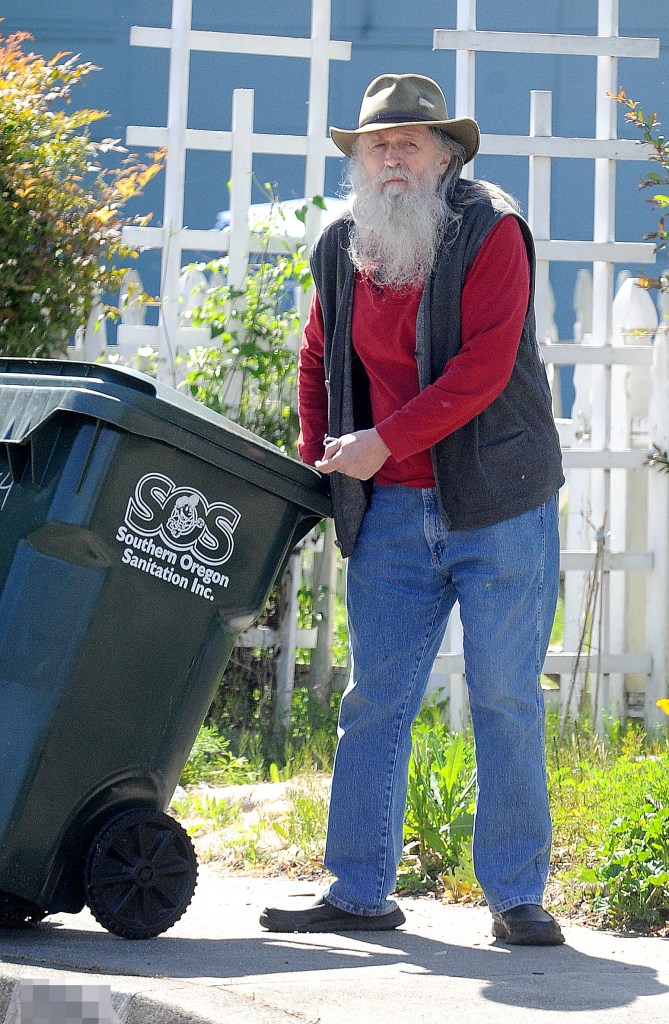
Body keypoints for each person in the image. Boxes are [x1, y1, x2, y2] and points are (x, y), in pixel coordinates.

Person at [260, 73, 565, 946]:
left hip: (497, 499)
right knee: (374, 700)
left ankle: (515, 897)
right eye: (375, 144)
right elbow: (319, 356)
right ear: (359, 159)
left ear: (446, 154)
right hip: (389, 507)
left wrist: (380, 443)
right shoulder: (341, 240)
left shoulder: (491, 229)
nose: (390, 156)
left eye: (409, 142)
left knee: (505, 695)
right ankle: (358, 892)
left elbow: (481, 368)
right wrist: (327, 463)